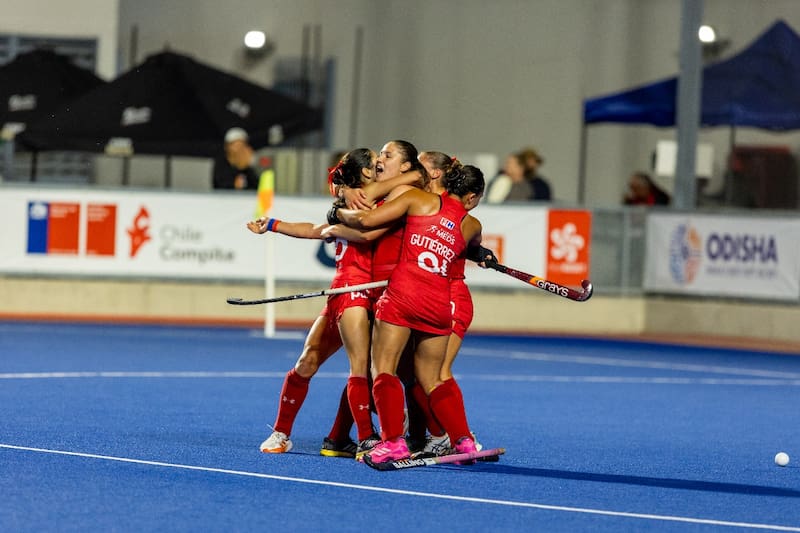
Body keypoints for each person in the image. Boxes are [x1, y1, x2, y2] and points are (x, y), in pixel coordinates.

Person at [328, 163, 487, 465]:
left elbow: (366, 219)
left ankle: (393, 443)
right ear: (472, 197)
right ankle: (463, 441)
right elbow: (473, 247)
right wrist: (481, 254)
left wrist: (338, 213)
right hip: (438, 304)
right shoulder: (472, 224)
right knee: (433, 378)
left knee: (383, 369)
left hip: (403, 296)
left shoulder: (418, 199)